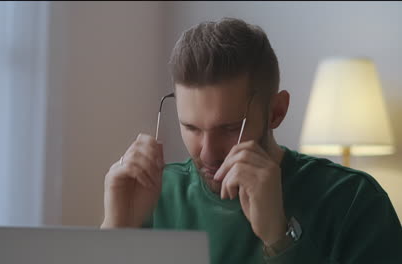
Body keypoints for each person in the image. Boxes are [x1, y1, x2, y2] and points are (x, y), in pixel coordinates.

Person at [101, 17, 402, 263]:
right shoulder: (155, 194)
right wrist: (116, 228)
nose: (206, 154)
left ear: (276, 112)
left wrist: (279, 239)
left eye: (229, 128)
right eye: (191, 127)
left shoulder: (354, 202)